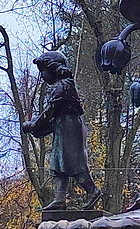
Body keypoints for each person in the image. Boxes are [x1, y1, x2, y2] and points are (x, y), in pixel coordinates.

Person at [23, 51, 105, 211]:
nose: (42, 76)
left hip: (70, 128)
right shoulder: (61, 86)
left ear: (53, 69)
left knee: (73, 162)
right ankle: (59, 199)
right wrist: (37, 126)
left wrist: (35, 125)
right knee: (57, 164)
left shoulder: (63, 86)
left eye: (43, 71)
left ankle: (92, 190)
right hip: (63, 127)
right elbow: (51, 117)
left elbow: (50, 112)